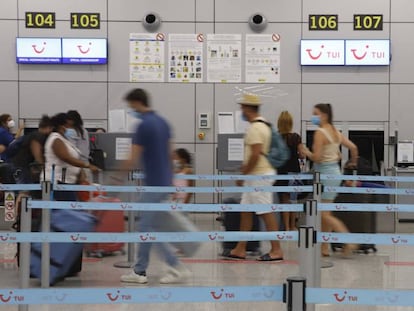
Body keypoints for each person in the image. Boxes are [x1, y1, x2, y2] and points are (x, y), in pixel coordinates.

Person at [120, 88, 190, 285]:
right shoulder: (162, 123)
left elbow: (132, 157)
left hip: (153, 185)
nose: (130, 109)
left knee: (147, 228)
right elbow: (170, 154)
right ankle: (142, 269)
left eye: (130, 105)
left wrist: (116, 178)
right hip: (164, 182)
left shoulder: (143, 126)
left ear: (136, 102)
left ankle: (171, 267)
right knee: (150, 228)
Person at [224, 93, 284, 262]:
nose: (241, 110)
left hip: (259, 176)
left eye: (242, 107)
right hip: (255, 175)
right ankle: (240, 248)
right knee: (246, 211)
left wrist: (243, 174)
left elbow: (256, 154)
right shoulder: (263, 125)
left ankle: (276, 250)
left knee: (265, 212)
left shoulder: (255, 128)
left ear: (248, 108)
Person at [303, 103, 359, 257]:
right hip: (336, 173)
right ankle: (324, 248)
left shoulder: (320, 133)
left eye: (316, 113)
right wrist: (352, 164)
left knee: (324, 214)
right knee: (326, 211)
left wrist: (305, 151)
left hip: (325, 175)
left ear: (324, 115)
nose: (313, 116)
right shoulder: (335, 131)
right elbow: (353, 148)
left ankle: (348, 239)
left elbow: (317, 157)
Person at [44, 113, 99, 201]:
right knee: (66, 210)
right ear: (62, 126)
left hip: (67, 182)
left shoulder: (63, 139)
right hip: (58, 182)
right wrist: (87, 165)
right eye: (69, 126)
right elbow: (66, 158)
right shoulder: (56, 139)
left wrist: (80, 171)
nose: (71, 128)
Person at [276, 111, 306, 231]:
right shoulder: (295, 137)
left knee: (284, 200)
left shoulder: (276, 137)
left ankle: (286, 227)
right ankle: (293, 226)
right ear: (290, 123)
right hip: (294, 172)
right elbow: (303, 155)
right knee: (293, 200)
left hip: (280, 172)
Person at [11, 115, 53, 185]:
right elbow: (37, 152)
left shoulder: (32, 135)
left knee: (23, 190)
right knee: (24, 191)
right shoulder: (38, 136)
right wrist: (43, 167)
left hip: (18, 166)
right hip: (22, 167)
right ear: (48, 127)